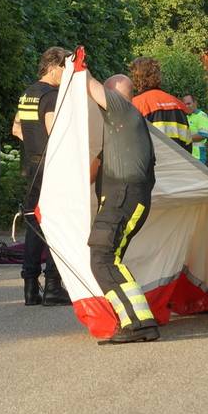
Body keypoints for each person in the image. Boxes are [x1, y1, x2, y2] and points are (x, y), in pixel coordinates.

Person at [84, 72, 161, 344]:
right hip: (125, 197)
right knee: (108, 259)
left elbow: (87, 82)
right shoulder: (120, 131)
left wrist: (71, 62)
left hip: (123, 197)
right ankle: (134, 320)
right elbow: (92, 172)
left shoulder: (122, 109)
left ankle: (139, 323)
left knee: (103, 258)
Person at [11, 47, 71, 307]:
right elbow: (55, 131)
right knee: (57, 224)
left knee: (34, 224)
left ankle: (30, 288)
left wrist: (33, 142)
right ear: (54, 67)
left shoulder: (28, 94)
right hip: (51, 167)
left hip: (32, 166)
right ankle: (53, 286)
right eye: (65, 69)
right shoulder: (52, 96)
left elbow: (16, 128)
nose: (67, 74)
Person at [129, 57, 193, 152]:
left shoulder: (136, 104)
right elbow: (187, 143)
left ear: (136, 78)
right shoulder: (178, 105)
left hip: (152, 160)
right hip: (176, 160)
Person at [183, 94, 208, 165]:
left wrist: (183, 138)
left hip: (198, 157)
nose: (187, 106)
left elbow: (202, 135)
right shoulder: (185, 116)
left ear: (195, 103)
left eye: (189, 104)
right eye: (185, 104)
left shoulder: (201, 116)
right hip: (187, 156)